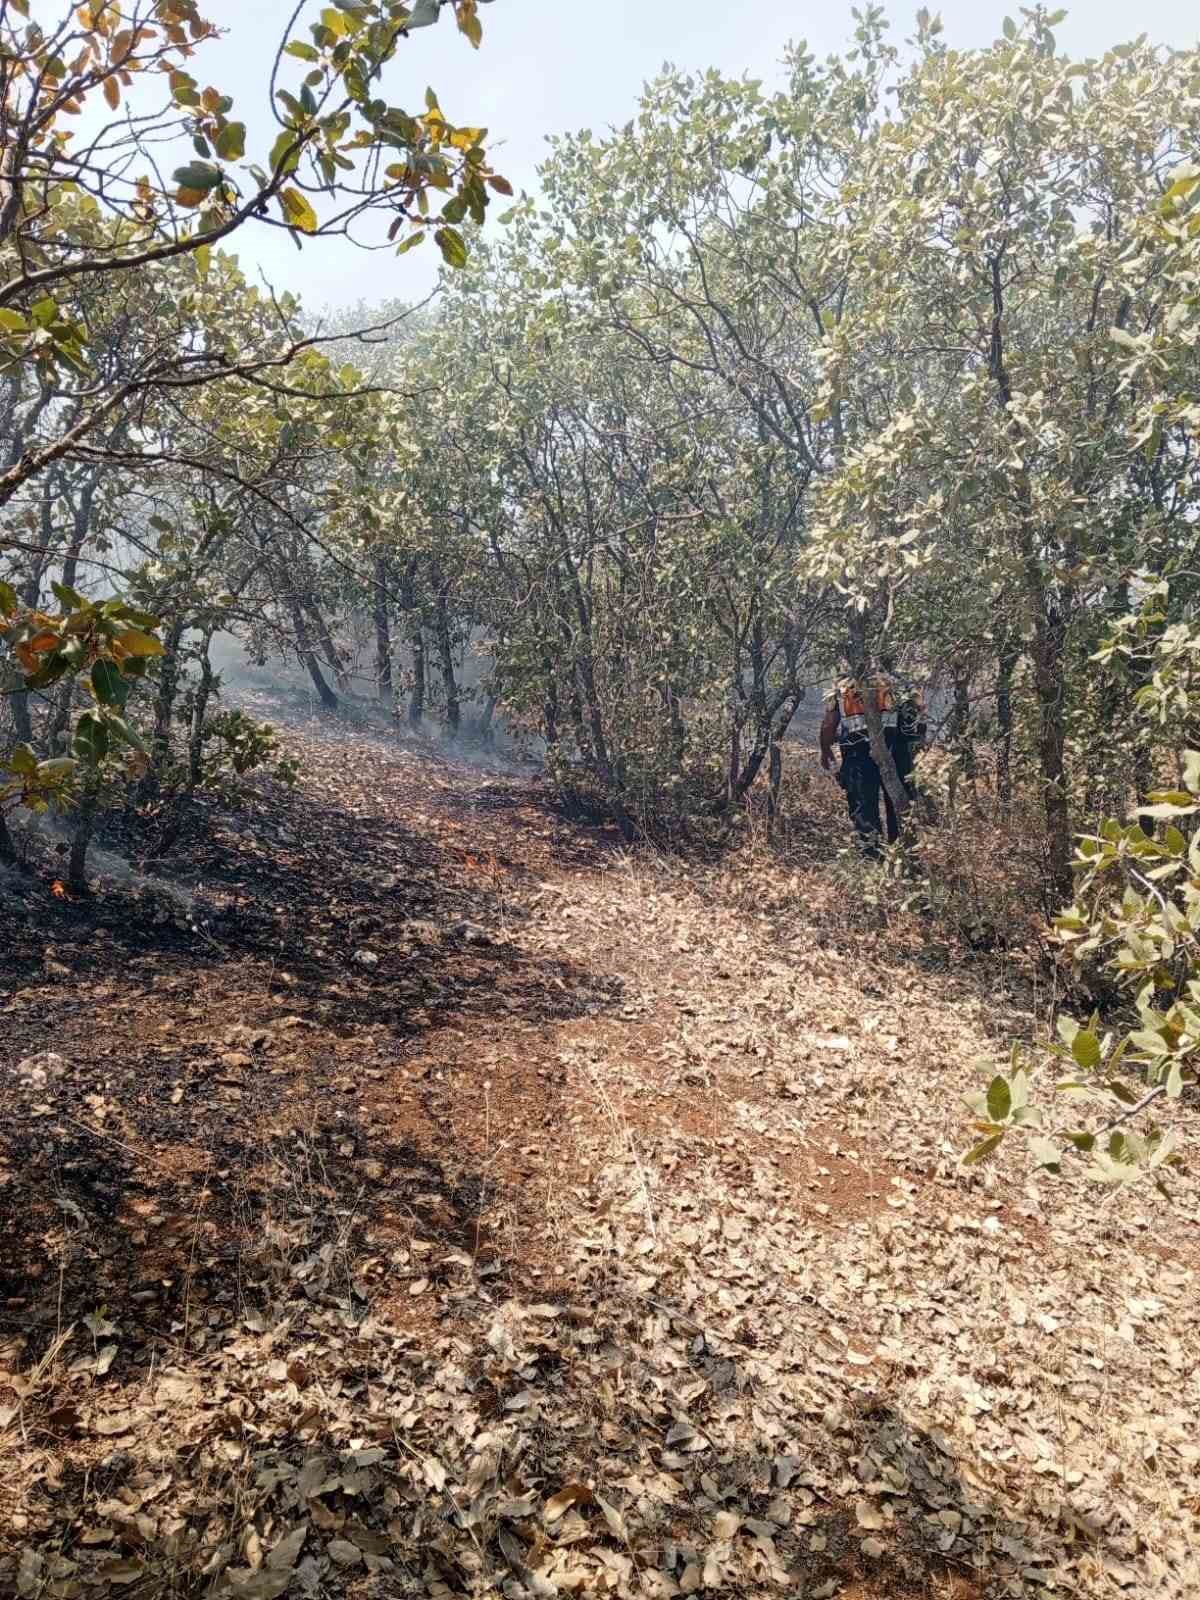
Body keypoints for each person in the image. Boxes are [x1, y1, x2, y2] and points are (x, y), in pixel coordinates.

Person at [819, 662, 926, 850]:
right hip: (896, 749)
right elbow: (918, 715)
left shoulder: (845, 682)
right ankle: (904, 858)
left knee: (864, 808)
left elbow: (830, 722)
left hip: (857, 750)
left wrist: (825, 749)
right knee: (900, 804)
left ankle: (871, 860)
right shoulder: (899, 679)